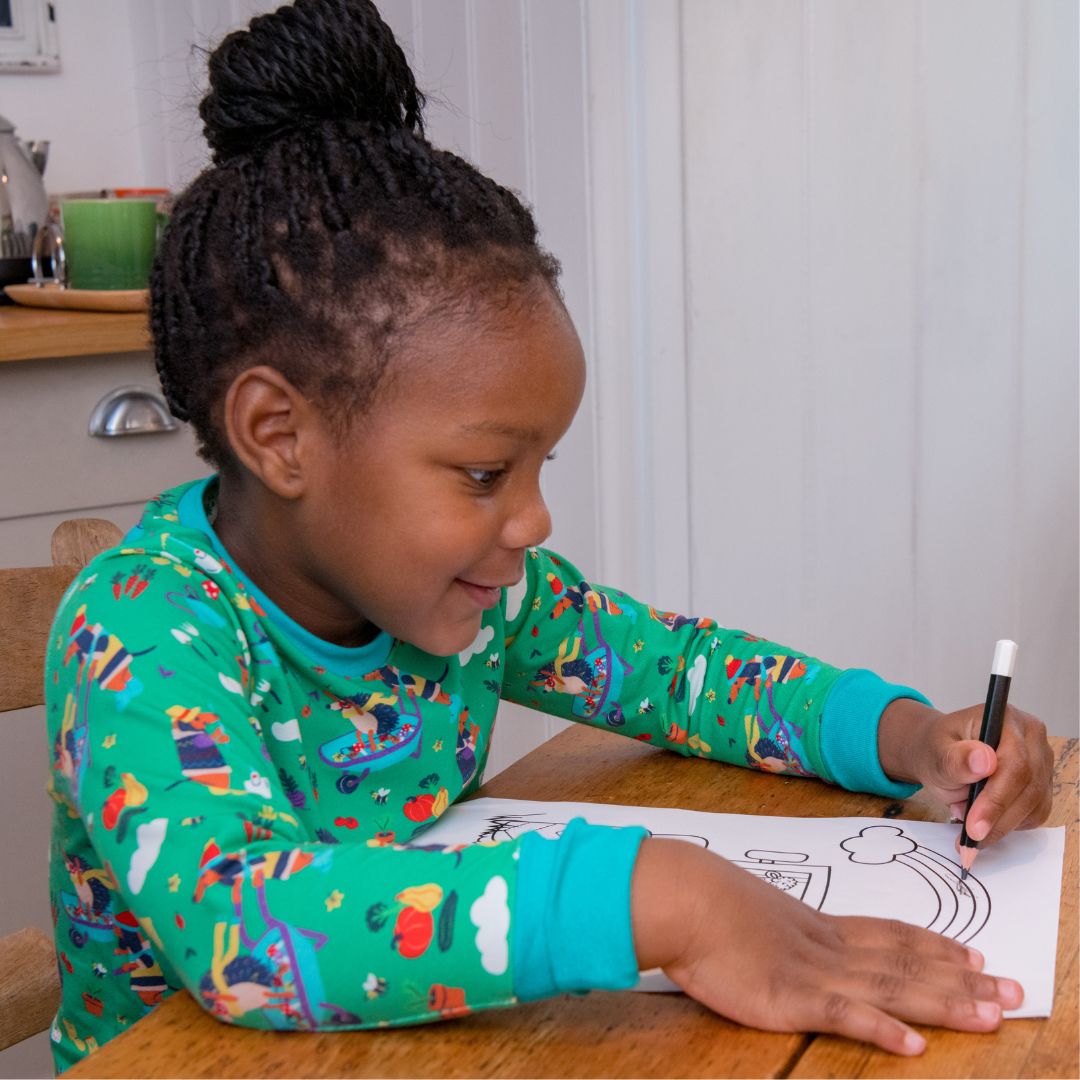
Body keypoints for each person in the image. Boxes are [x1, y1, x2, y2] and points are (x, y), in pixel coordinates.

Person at [44, 0, 1054, 1070]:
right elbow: (241, 922)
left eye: (541, 468)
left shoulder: (488, 597)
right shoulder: (140, 629)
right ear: (279, 436)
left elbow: (686, 675)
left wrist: (907, 738)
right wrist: (658, 899)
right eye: (486, 474)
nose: (533, 520)